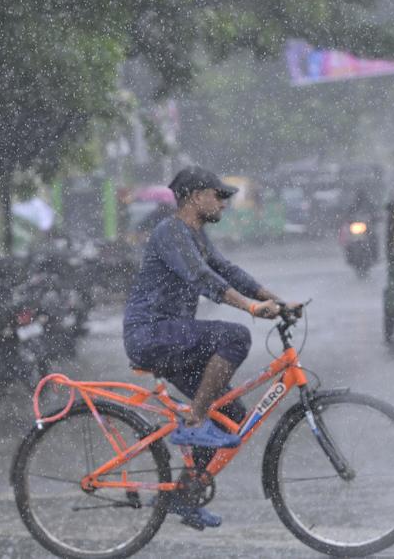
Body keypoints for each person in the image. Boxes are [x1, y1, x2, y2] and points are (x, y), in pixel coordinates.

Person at [123, 165, 299, 530]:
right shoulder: (171, 232)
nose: (223, 202)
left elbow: (229, 272)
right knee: (235, 336)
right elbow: (202, 278)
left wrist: (278, 302)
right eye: (218, 195)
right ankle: (194, 420)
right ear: (194, 197)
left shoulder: (197, 236)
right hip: (152, 334)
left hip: (174, 337)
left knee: (231, 413)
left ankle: (184, 497)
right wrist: (251, 309)